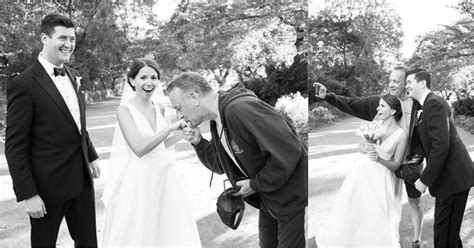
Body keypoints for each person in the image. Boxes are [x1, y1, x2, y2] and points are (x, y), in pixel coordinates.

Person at [166, 72, 308, 248]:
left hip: (293, 200)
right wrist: (199, 142)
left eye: (178, 107)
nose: (179, 115)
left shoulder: (239, 109)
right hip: (270, 202)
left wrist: (255, 185)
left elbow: (289, 150)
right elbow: (220, 165)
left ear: (194, 97)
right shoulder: (217, 120)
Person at [5, 14, 100, 247]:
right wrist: (28, 193)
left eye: (72, 38)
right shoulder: (23, 85)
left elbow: (77, 122)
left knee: (88, 243)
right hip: (47, 188)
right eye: (62, 38)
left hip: (81, 181)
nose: (68, 44)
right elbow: (15, 146)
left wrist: (92, 155)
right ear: (44, 38)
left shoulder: (73, 74)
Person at [314, 65, 425, 247]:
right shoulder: (381, 102)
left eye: (396, 81)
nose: (391, 84)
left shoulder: (418, 104)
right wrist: (328, 97)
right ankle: (380, 235)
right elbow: (353, 103)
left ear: (407, 83)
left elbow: (428, 133)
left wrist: (421, 159)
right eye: (390, 80)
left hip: (411, 163)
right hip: (385, 163)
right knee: (387, 203)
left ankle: (417, 239)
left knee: (414, 201)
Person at [101, 59, 201, 247]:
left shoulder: (159, 107)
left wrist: (183, 133)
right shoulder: (124, 110)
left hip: (165, 175)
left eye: (154, 77)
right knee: (141, 230)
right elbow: (139, 148)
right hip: (141, 178)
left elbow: (161, 145)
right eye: (143, 77)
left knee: (169, 229)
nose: (149, 82)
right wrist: (170, 127)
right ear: (131, 81)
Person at [319, 94, 408, 247]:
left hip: (381, 177)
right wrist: (365, 147)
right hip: (361, 172)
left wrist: (379, 159)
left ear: (393, 111)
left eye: (382, 106)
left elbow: (396, 164)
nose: (377, 108)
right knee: (354, 207)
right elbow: (359, 147)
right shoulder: (375, 124)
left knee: (377, 213)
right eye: (378, 105)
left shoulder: (401, 135)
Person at [405, 68, 474, 248]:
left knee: (444, 235)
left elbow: (441, 146)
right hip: (449, 179)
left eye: (409, 82)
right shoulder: (426, 105)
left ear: (422, 83)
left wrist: (424, 179)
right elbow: (431, 141)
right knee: (448, 234)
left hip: (454, 178)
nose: (407, 86)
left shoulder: (433, 103)